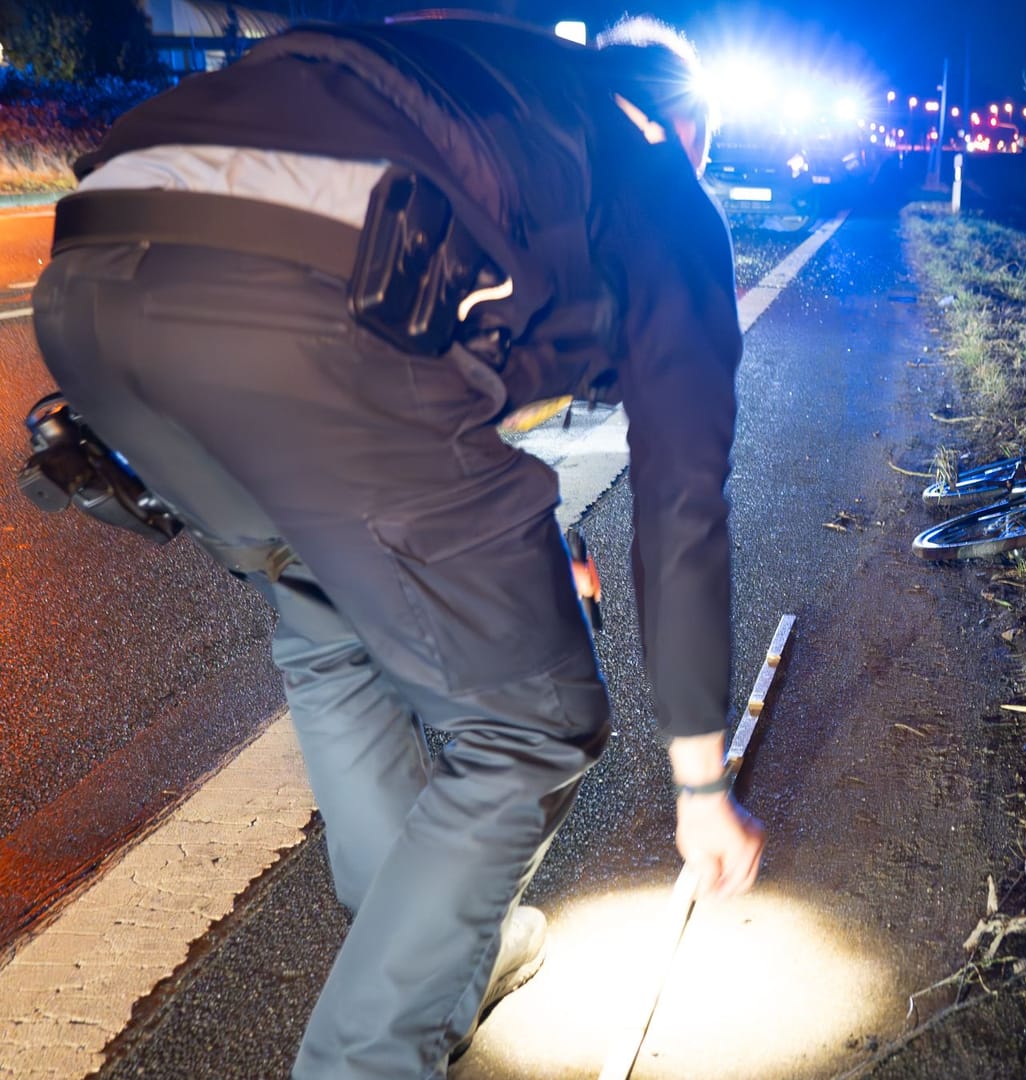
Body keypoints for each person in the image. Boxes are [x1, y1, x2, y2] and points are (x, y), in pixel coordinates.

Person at [28, 12, 763, 1077]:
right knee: (533, 723)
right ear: (688, 125)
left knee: (326, 623)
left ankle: (436, 948)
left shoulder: (489, 80)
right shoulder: (656, 174)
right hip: (299, 312)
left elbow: (435, 418)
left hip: (90, 281)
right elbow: (683, 499)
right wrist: (700, 787)